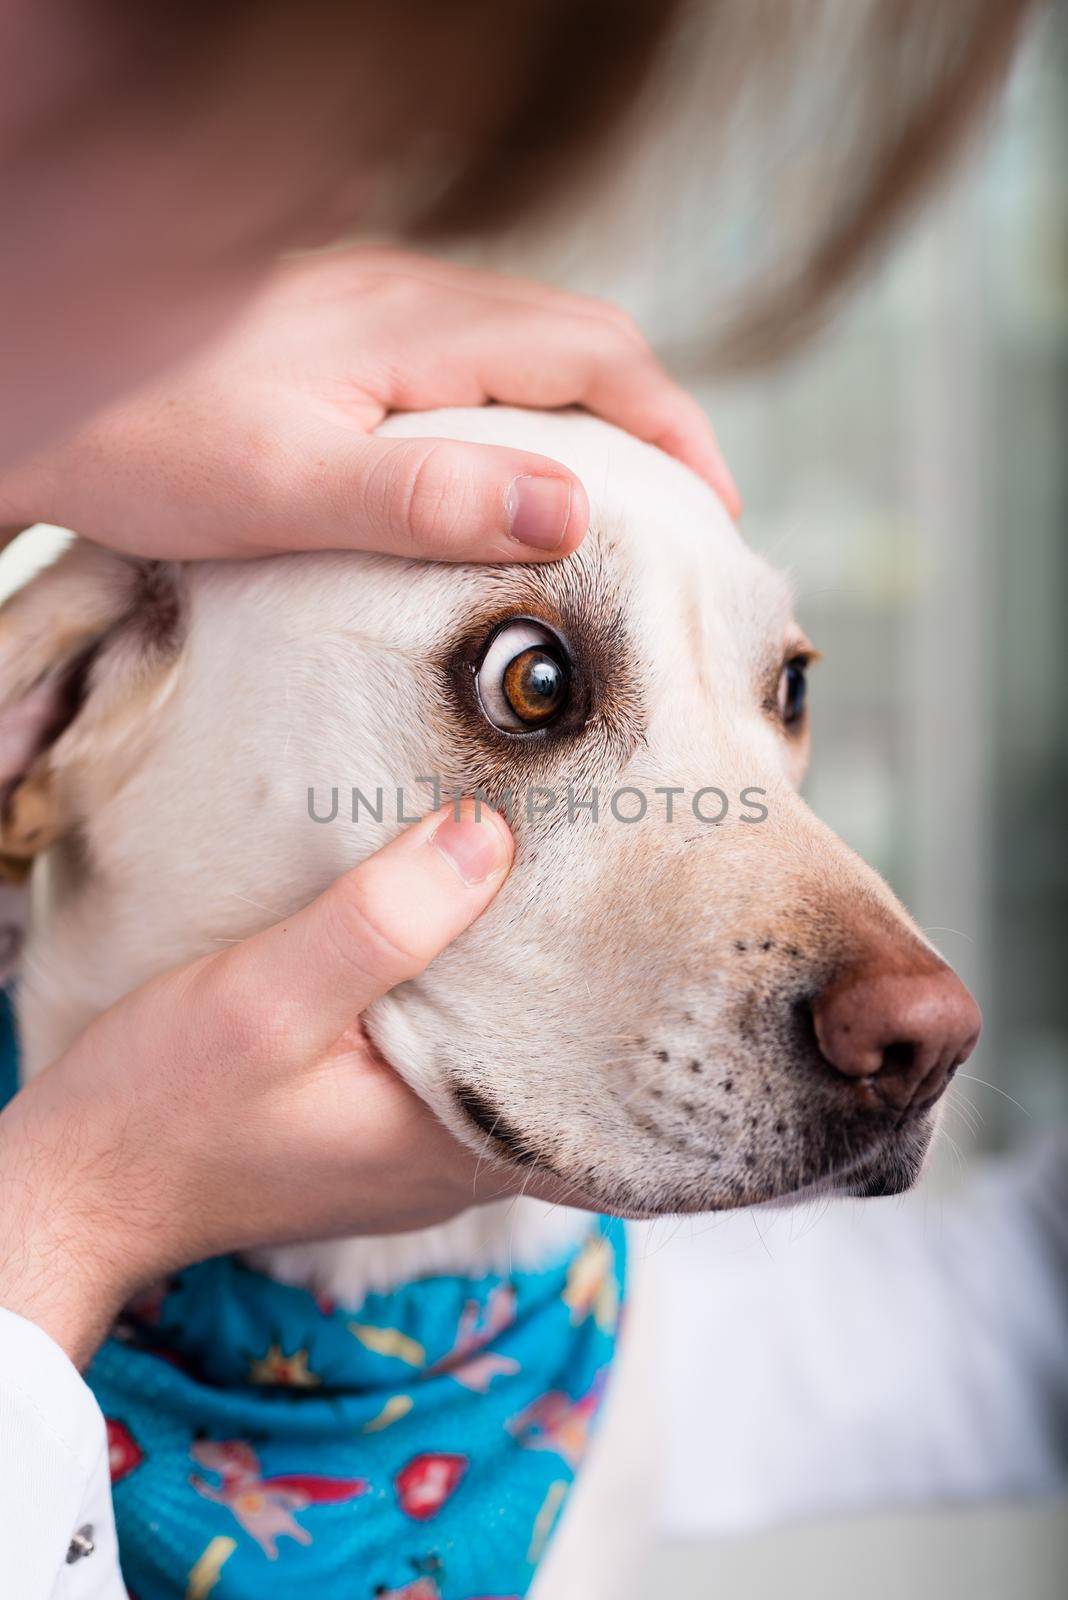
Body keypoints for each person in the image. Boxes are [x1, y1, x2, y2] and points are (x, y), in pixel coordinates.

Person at [0, 3, 1029, 1595]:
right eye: (533, 688)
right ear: (68, 721)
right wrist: (76, 1210)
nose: (899, 996)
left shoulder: (598, 1378)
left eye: (781, 695)